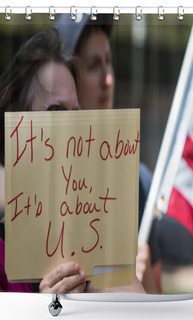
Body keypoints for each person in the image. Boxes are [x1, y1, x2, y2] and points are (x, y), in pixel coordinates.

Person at [0, 27, 145, 294]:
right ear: (17, 129)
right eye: (56, 112)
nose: (72, 128)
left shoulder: (99, 250)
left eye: (76, 114)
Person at [55, 14, 162, 293]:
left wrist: (144, 276)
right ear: (66, 77)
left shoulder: (139, 182)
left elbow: (159, 301)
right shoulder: (46, 183)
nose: (109, 79)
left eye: (108, 61)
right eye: (93, 66)